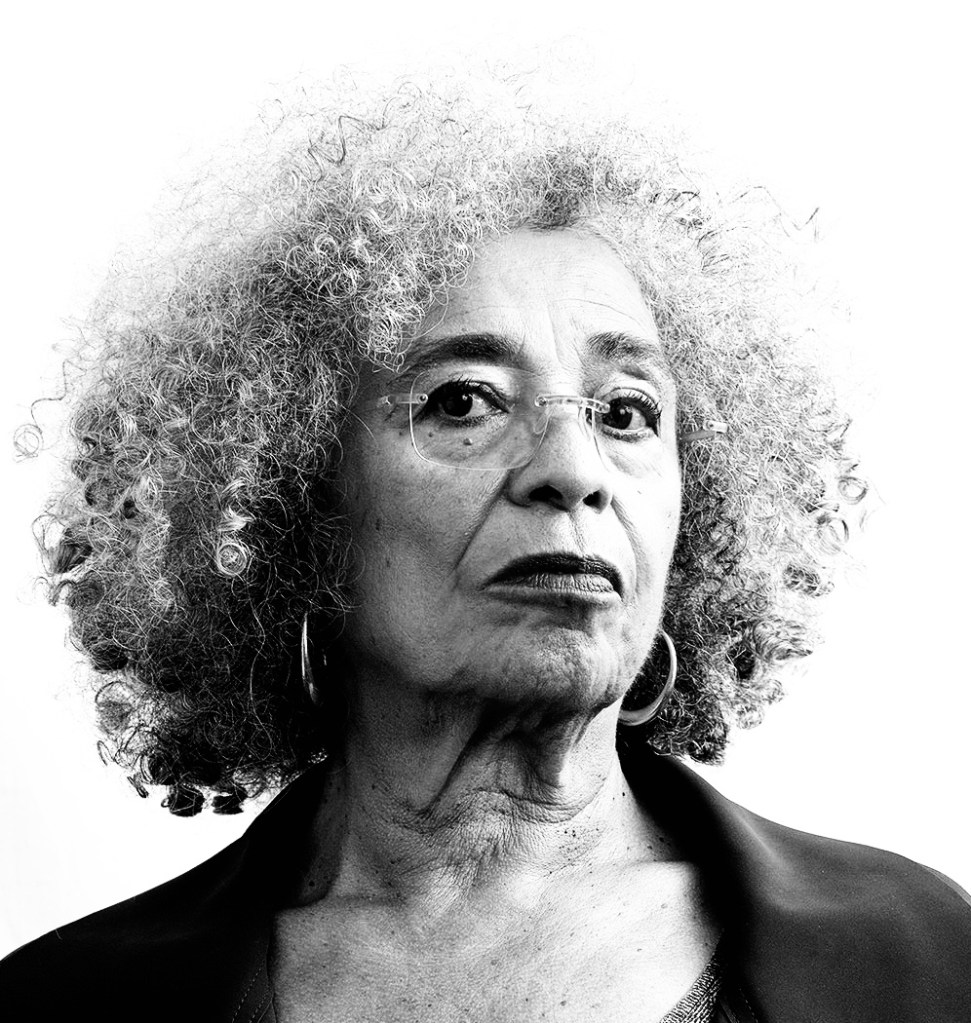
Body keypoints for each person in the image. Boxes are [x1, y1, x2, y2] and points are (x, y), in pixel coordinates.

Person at [2, 68, 969, 1022]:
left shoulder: (921, 961)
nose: (573, 468)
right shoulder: (65, 1006)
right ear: (293, 505)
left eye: (625, 411)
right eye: (464, 400)